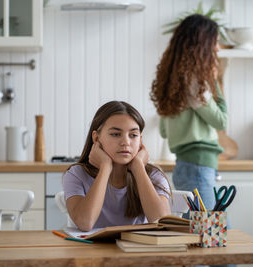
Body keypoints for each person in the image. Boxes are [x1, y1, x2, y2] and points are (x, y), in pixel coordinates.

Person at [150, 14, 227, 212]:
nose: (218, 48)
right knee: (212, 231)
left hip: (186, 165)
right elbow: (221, 121)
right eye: (216, 42)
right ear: (203, 44)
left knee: (198, 231)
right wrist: (215, 81)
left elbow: (164, 132)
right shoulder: (195, 81)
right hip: (199, 166)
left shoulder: (173, 79)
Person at [63, 101, 171, 231]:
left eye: (133, 135)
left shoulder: (154, 175)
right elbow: (85, 223)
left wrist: (138, 168)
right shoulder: (76, 174)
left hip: (138, 251)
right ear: (96, 139)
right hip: (92, 250)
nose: (126, 142)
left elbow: (162, 223)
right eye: (115, 134)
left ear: (140, 141)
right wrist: (105, 168)